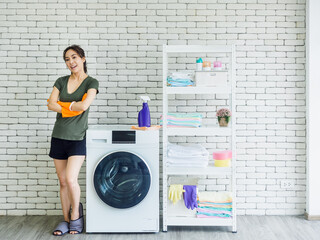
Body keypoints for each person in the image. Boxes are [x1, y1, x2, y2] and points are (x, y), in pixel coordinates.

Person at [47, 45, 99, 235]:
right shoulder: (61, 81)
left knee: (70, 179)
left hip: (77, 138)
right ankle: (66, 220)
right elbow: (50, 105)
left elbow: (84, 105)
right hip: (58, 136)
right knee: (62, 181)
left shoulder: (91, 82)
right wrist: (72, 106)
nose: (71, 62)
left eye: (74, 57)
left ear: (83, 58)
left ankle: (76, 215)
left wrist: (63, 105)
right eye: (67, 59)